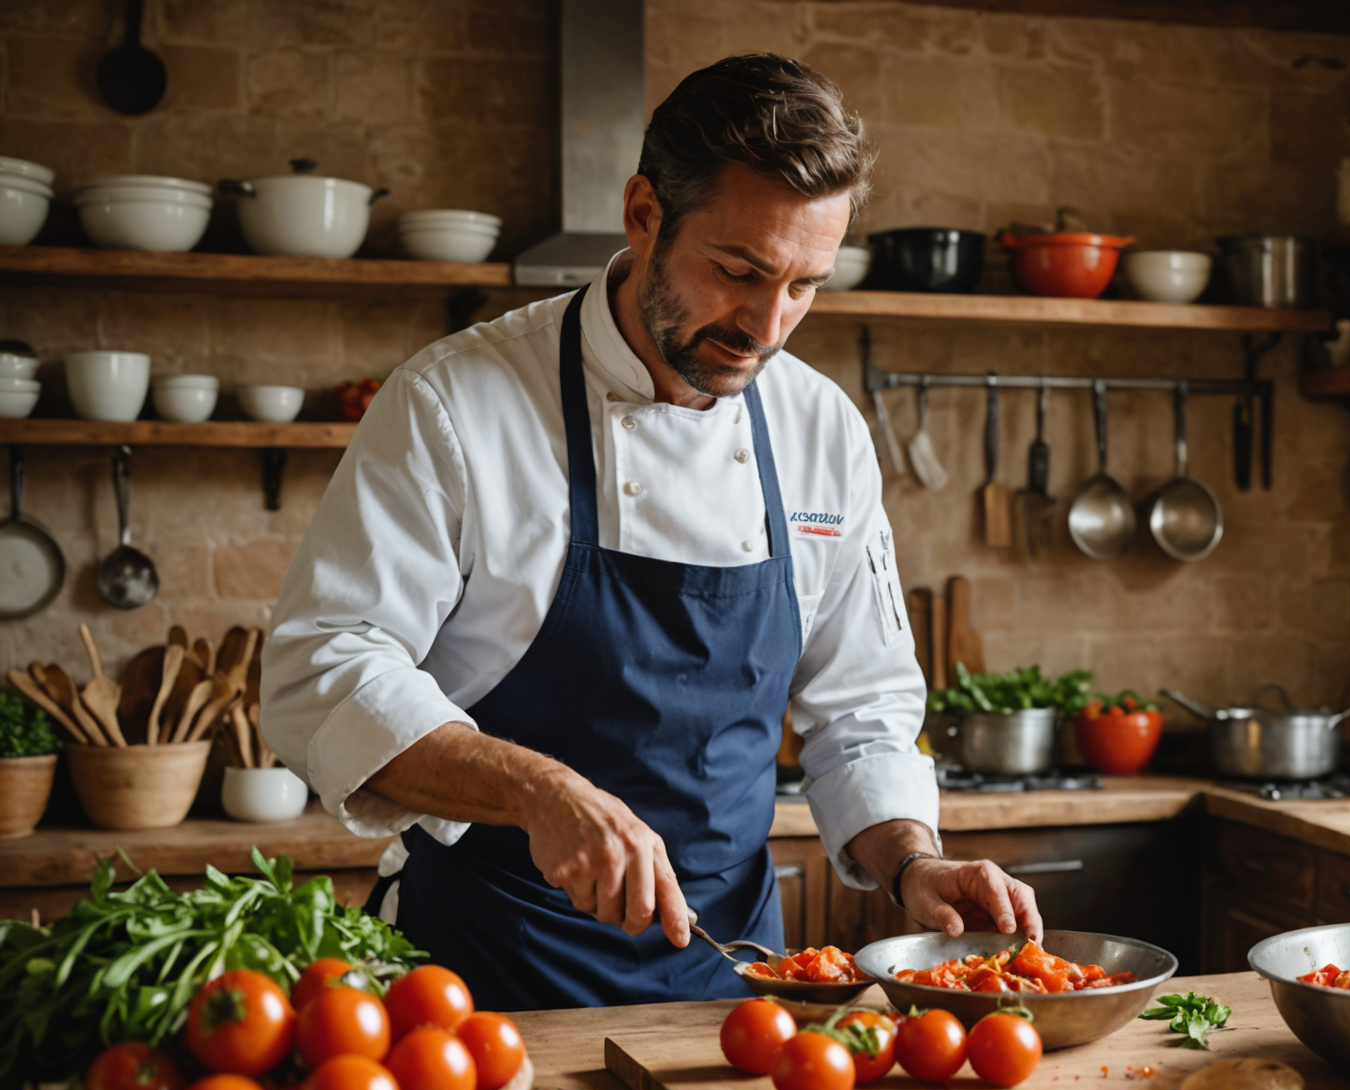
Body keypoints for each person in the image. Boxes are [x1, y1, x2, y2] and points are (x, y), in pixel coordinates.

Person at [263, 54, 1041, 1011]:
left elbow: (861, 707)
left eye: (804, 286)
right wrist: (539, 791)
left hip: (734, 980)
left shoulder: (822, 429)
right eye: (738, 271)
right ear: (643, 215)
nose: (767, 325)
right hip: (484, 979)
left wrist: (911, 863)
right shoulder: (453, 403)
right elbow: (322, 668)